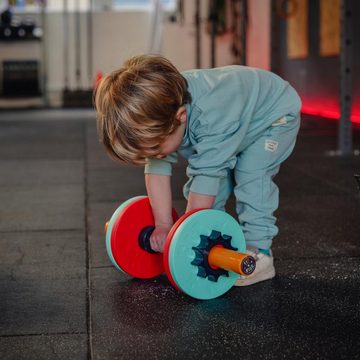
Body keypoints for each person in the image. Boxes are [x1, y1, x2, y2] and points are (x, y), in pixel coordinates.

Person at [95, 54, 302, 286]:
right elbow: (157, 170)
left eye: (155, 148)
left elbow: (206, 175)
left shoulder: (209, 116)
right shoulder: (162, 109)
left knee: (250, 173)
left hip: (274, 115)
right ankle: (215, 235)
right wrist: (163, 225)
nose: (154, 156)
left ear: (180, 117)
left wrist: (186, 238)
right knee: (211, 181)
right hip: (235, 119)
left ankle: (260, 252)